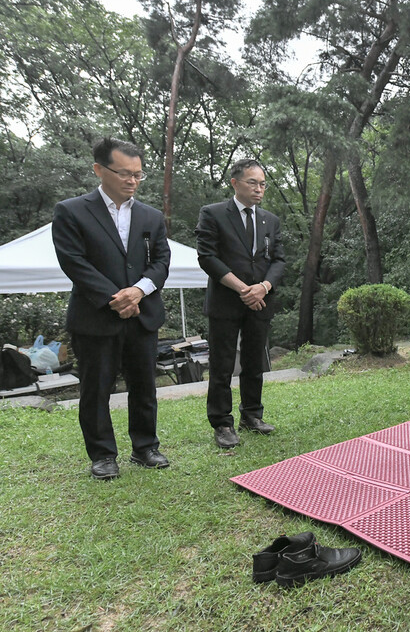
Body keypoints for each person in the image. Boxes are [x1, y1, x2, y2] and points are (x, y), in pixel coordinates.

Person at [52, 137, 171, 480]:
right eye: (124, 174)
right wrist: (115, 299)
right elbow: (74, 262)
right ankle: (103, 455)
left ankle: (145, 446)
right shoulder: (72, 210)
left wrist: (137, 291)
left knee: (145, 385)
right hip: (94, 317)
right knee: (96, 389)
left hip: (143, 314)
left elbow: (162, 261)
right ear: (99, 170)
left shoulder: (150, 215)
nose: (132, 181)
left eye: (138, 175)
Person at [196, 159, 285, 448]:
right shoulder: (213, 214)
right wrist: (242, 288)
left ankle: (252, 415)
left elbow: (279, 260)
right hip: (226, 301)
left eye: (262, 184)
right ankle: (222, 423)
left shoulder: (270, 220)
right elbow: (207, 257)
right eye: (253, 183)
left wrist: (264, 287)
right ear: (235, 183)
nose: (259, 189)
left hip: (260, 302)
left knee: (253, 361)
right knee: (222, 364)